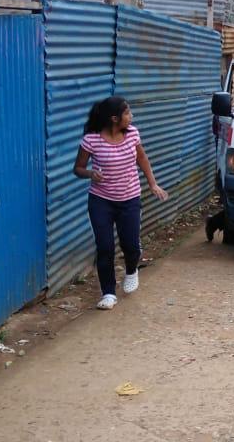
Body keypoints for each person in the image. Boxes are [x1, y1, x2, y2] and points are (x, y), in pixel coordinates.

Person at [72, 96, 169, 310]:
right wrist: (90, 173)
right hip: (101, 201)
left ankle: (131, 270)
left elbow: (141, 159)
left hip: (130, 199)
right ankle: (108, 293)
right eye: (127, 113)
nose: (131, 117)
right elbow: (77, 168)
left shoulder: (132, 134)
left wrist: (153, 184)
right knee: (105, 247)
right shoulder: (92, 139)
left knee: (131, 246)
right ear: (114, 118)